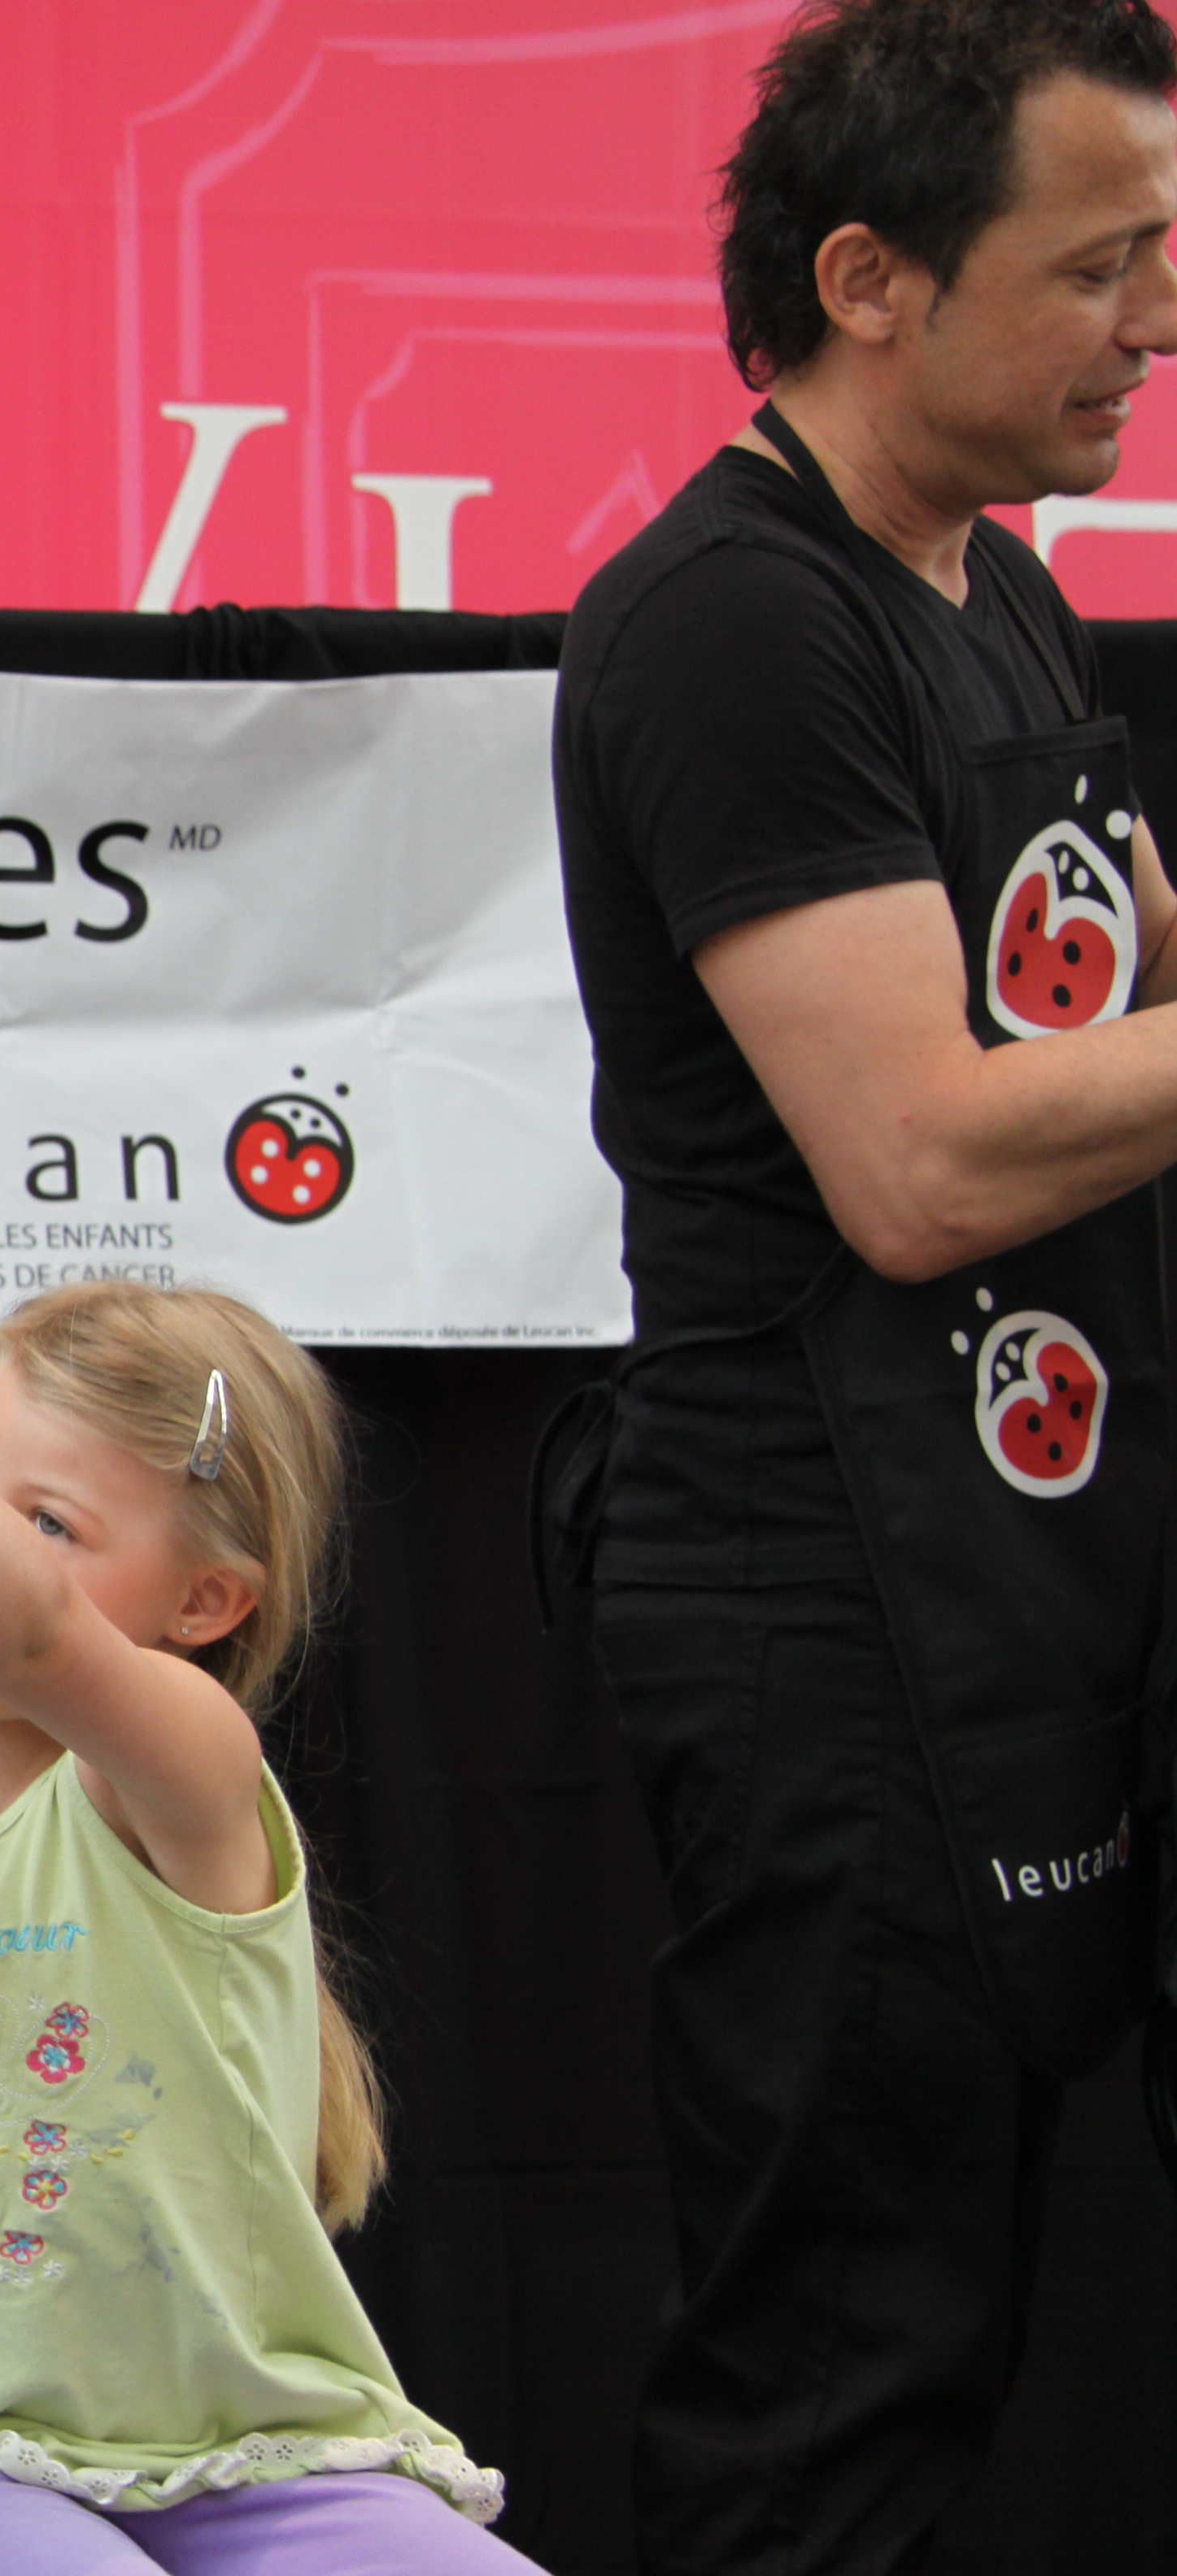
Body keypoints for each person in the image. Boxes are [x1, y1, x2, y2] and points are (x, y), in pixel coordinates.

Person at [545, 6, 1177, 2566]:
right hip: (820, 1585)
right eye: (1100, 266)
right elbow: (914, 1162)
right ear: (870, 277)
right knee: (847, 2365)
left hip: (1014, 1559)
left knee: (975, 2319)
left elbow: (1134, 985)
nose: (1155, 323)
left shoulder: (996, 584)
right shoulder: (731, 618)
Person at [0, 1283, 524, 2574]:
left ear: (204, 1604)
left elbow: (31, 1636)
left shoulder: (188, 1764)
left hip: (273, 2458)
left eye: (45, 1524)